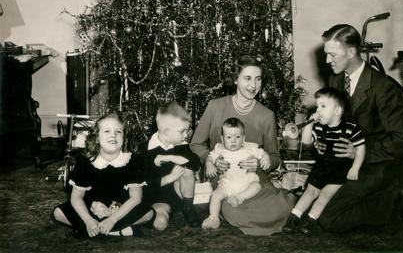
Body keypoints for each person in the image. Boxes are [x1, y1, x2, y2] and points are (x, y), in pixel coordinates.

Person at [315, 23, 403, 232]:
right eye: (326, 54)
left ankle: (391, 201)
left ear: (351, 52)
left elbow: (401, 140)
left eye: (332, 55)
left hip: (376, 165)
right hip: (346, 163)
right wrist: (323, 139)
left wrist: (359, 152)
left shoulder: (383, 87)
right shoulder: (335, 80)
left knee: (328, 218)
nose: (327, 61)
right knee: (314, 200)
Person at [190, 54, 295, 235]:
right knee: (234, 212)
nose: (253, 85)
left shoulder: (266, 115)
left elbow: (275, 157)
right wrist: (211, 161)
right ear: (236, 80)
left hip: (255, 181)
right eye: (247, 78)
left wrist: (264, 162)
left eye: (258, 79)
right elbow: (196, 143)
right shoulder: (215, 106)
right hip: (226, 179)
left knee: (280, 210)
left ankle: (283, 200)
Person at [53, 113, 152, 238]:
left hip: (121, 210)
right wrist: (88, 220)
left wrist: (113, 219)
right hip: (91, 209)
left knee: (148, 213)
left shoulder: (131, 161)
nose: (113, 135)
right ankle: (114, 230)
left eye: (118, 131)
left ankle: (104, 229)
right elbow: (76, 198)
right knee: (58, 213)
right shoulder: (85, 162)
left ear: (124, 137)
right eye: (107, 131)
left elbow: (135, 198)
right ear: (97, 138)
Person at [283, 87, 365, 235]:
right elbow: (307, 141)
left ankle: (310, 220)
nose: (318, 111)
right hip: (322, 167)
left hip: (339, 170)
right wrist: (309, 124)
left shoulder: (350, 129)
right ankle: (293, 218)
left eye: (323, 106)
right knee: (309, 192)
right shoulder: (320, 128)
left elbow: (360, 148)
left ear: (337, 111)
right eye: (317, 106)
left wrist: (355, 167)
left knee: (325, 194)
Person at [139, 102, 202, 230]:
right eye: (182, 131)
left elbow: (196, 164)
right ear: (166, 132)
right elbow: (145, 183)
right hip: (157, 197)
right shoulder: (145, 150)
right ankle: (133, 221)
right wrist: (170, 178)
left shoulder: (181, 146)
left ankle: (188, 207)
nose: (186, 135)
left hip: (178, 194)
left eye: (187, 130)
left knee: (187, 169)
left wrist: (169, 157)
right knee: (160, 223)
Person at [202, 117, 270, 229]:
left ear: (243, 138)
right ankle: (213, 217)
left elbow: (263, 153)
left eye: (238, 137)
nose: (233, 141)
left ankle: (239, 198)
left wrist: (265, 158)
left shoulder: (250, 148)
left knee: (256, 186)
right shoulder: (219, 149)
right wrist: (209, 165)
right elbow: (209, 157)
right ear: (222, 139)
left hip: (247, 184)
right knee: (215, 195)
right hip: (227, 185)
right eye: (229, 137)